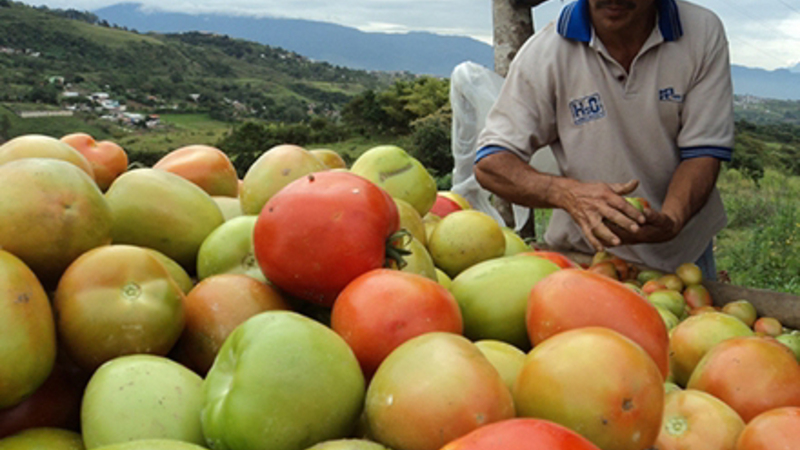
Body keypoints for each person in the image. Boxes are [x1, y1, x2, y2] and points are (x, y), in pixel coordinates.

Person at [474, 0, 734, 280]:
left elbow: (703, 151)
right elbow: (491, 163)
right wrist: (567, 194)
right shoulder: (547, 52)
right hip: (586, 258)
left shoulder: (700, 32)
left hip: (683, 256)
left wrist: (672, 219)